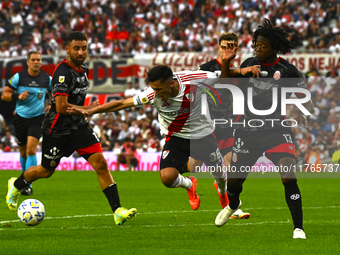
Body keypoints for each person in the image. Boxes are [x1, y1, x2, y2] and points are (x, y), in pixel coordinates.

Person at [5, 32, 137, 226]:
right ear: (67, 49)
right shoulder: (62, 73)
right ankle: (15, 185)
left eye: (84, 47)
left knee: (100, 163)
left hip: (78, 127)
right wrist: (86, 109)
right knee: (46, 171)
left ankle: (118, 210)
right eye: (76, 48)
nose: (81, 51)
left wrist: (85, 110)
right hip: (56, 130)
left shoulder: (84, 70)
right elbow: (60, 107)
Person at [68, 64, 230, 214]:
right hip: (176, 137)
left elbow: (222, 76)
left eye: (159, 89)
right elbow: (122, 104)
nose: (156, 93)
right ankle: (189, 184)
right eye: (153, 89)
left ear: (171, 84)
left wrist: (239, 68)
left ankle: (223, 195)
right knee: (167, 178)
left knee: (219, 174)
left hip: (203, 135)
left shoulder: (195, 80)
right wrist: (92, 111)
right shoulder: (151, 94)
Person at [214, 19, 312, 239]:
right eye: (256, 44)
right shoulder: (249, 64)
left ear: (274, 48)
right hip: (248, 132)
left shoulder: (287, 70)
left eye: (262, 45)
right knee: (235, 182)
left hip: (277, 130)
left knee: (288, 175)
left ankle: (298, 228)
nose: (258, 48)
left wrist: (306, 113)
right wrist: (226, 63)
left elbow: (304, 95)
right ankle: (233, 203)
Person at [188, 32, 251, 219]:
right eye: (224, 46)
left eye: (231, 46)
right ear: (219, 47)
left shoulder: (237, 71)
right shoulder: (207, 68)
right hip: (204, 123)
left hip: (225, 124)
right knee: (193, 166)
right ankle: (191, 185)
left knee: (231, 162)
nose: (227, 49)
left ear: (236, 49)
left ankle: (231, 206)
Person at [1, 51, 52, 196]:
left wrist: (51, 105)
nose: (37, 62)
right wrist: (18, 96)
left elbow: (55, 92)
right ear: (28, 62)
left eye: (39, 60)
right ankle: (25, 178)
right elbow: (4, 95)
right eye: (34, 59)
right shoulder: (19, 77)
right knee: (23, 152)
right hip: (21, 119)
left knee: (31, 149)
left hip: (38, 118)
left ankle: (28, 184)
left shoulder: (47, 79)